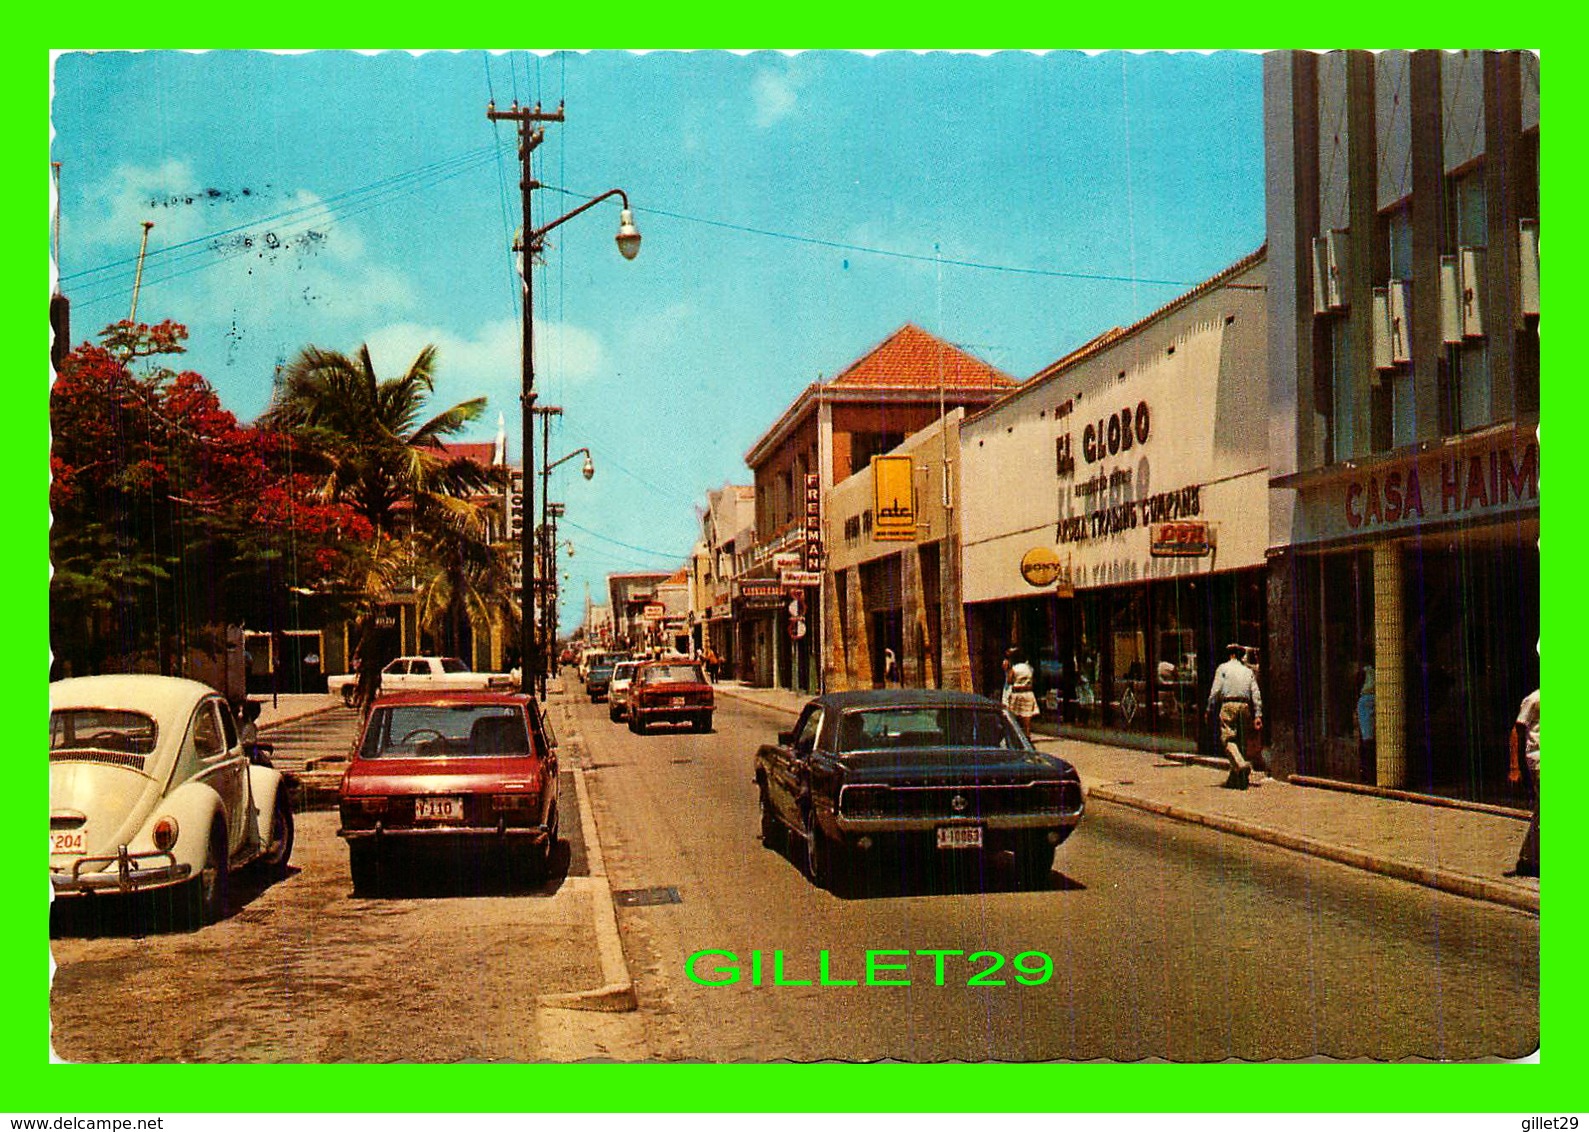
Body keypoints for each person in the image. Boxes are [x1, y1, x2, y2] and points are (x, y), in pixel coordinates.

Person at [1207, 642, 1264, 789]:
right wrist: (1258, 715)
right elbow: (1255, 694)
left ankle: (1241, 765)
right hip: (1245, 707)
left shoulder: (1223, 668)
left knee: (1228, 739)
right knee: (1241, 743)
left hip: (1229, 705)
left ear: (1230, 654)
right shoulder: (1248, 672)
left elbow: (1216, 690)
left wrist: (1209, 707)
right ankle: (1235, 780)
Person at [1506, 688, 1540, 878]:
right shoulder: (1534, 698)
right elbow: (1516, 731)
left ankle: (1528, 859)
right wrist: (1514, 767)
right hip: (1538, 760)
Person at [1005, 648, 1038, 737]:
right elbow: (1033, 680)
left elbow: (1009, 681)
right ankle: (1027, 734)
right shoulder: (1030, 668)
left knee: (1014, 714)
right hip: (1028, 693)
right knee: (1027, 715)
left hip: (1017, 693)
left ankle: (1016, 735)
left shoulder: (1014, 668)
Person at [1355, 664, 1376, 783]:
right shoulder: (1367, 670)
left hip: (1366, 699)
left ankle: (1367, 775)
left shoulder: (1364, 671)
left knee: (1367, 739)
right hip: (1369, 700)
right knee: (1368, 741)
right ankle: (1369, 775)